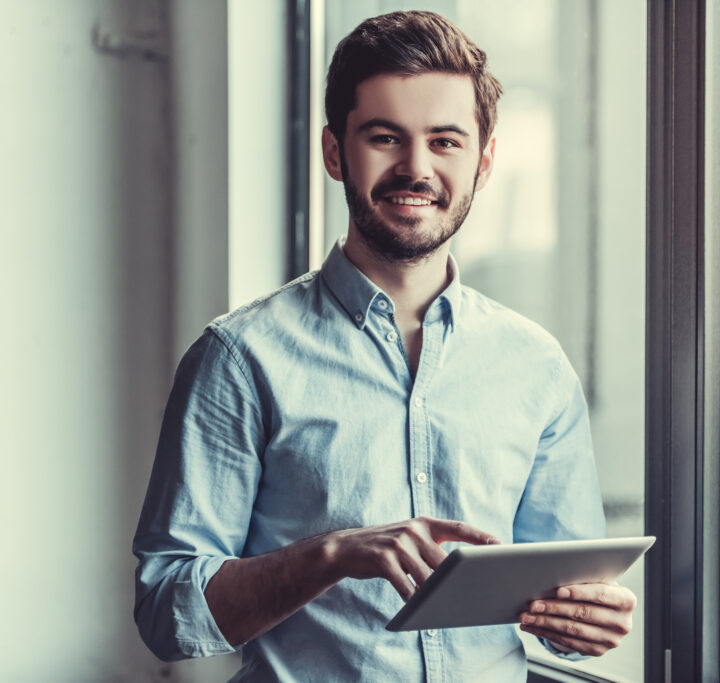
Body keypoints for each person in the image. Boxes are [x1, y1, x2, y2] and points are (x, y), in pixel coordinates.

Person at [133, 10, 636, 681]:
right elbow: (168, 610)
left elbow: (563, 594)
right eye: (384, 137)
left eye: (445, 141)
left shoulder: (537, 367)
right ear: (335, 150)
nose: (415, 167)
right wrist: (334, 554)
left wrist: (589, 618)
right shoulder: (238, 358)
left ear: (483, 162)